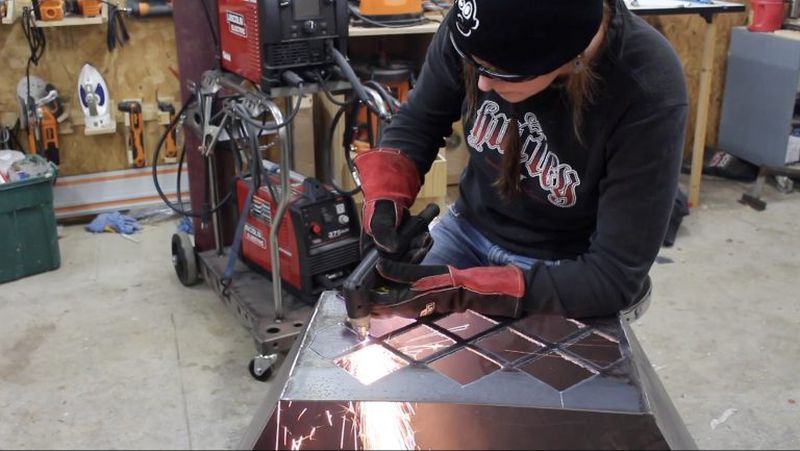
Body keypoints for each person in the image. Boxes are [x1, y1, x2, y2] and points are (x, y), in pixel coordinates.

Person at [353, 0, 688, 320]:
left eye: (501, 72)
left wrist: (466, 290)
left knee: (518, 377)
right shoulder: (473, 26)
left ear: (568, 55)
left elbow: (613, 277)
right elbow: (419, 122)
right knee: (393, 332)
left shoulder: (647, 87)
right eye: (476, 65)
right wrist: (387, 192)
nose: (482, 82)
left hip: (568, 265)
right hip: (469, 227)